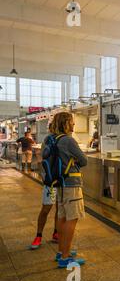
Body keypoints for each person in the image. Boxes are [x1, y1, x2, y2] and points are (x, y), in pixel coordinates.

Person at [51, 112, 87, 268]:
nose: (73, 124)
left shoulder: (53, 139)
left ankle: (61, 251)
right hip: (71, 183)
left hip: (59, 183)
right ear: (66, 123)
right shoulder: (68, 140)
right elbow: (84, 160)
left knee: (62, 217)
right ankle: (65, 258)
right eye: (72, 122)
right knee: (72, 219)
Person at [29, 121, 59, 250]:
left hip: (63, 180)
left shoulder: (66, 139)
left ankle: (56, 232)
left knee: (60, 209)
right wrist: (44, 175)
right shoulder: (49, 140)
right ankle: (38, 235)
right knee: (46, 209)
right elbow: (43, 159)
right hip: (51, 181)